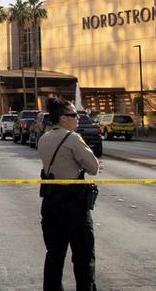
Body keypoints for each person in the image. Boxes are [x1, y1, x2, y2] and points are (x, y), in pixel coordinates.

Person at [38, 96, 100, 291]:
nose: (78, 118)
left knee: (54, 254)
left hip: (50, 203)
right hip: (73, 204)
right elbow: (93, 167)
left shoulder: (44, 138)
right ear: (63, 118)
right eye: (74, 115)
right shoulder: (72, 138)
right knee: (83, 256)